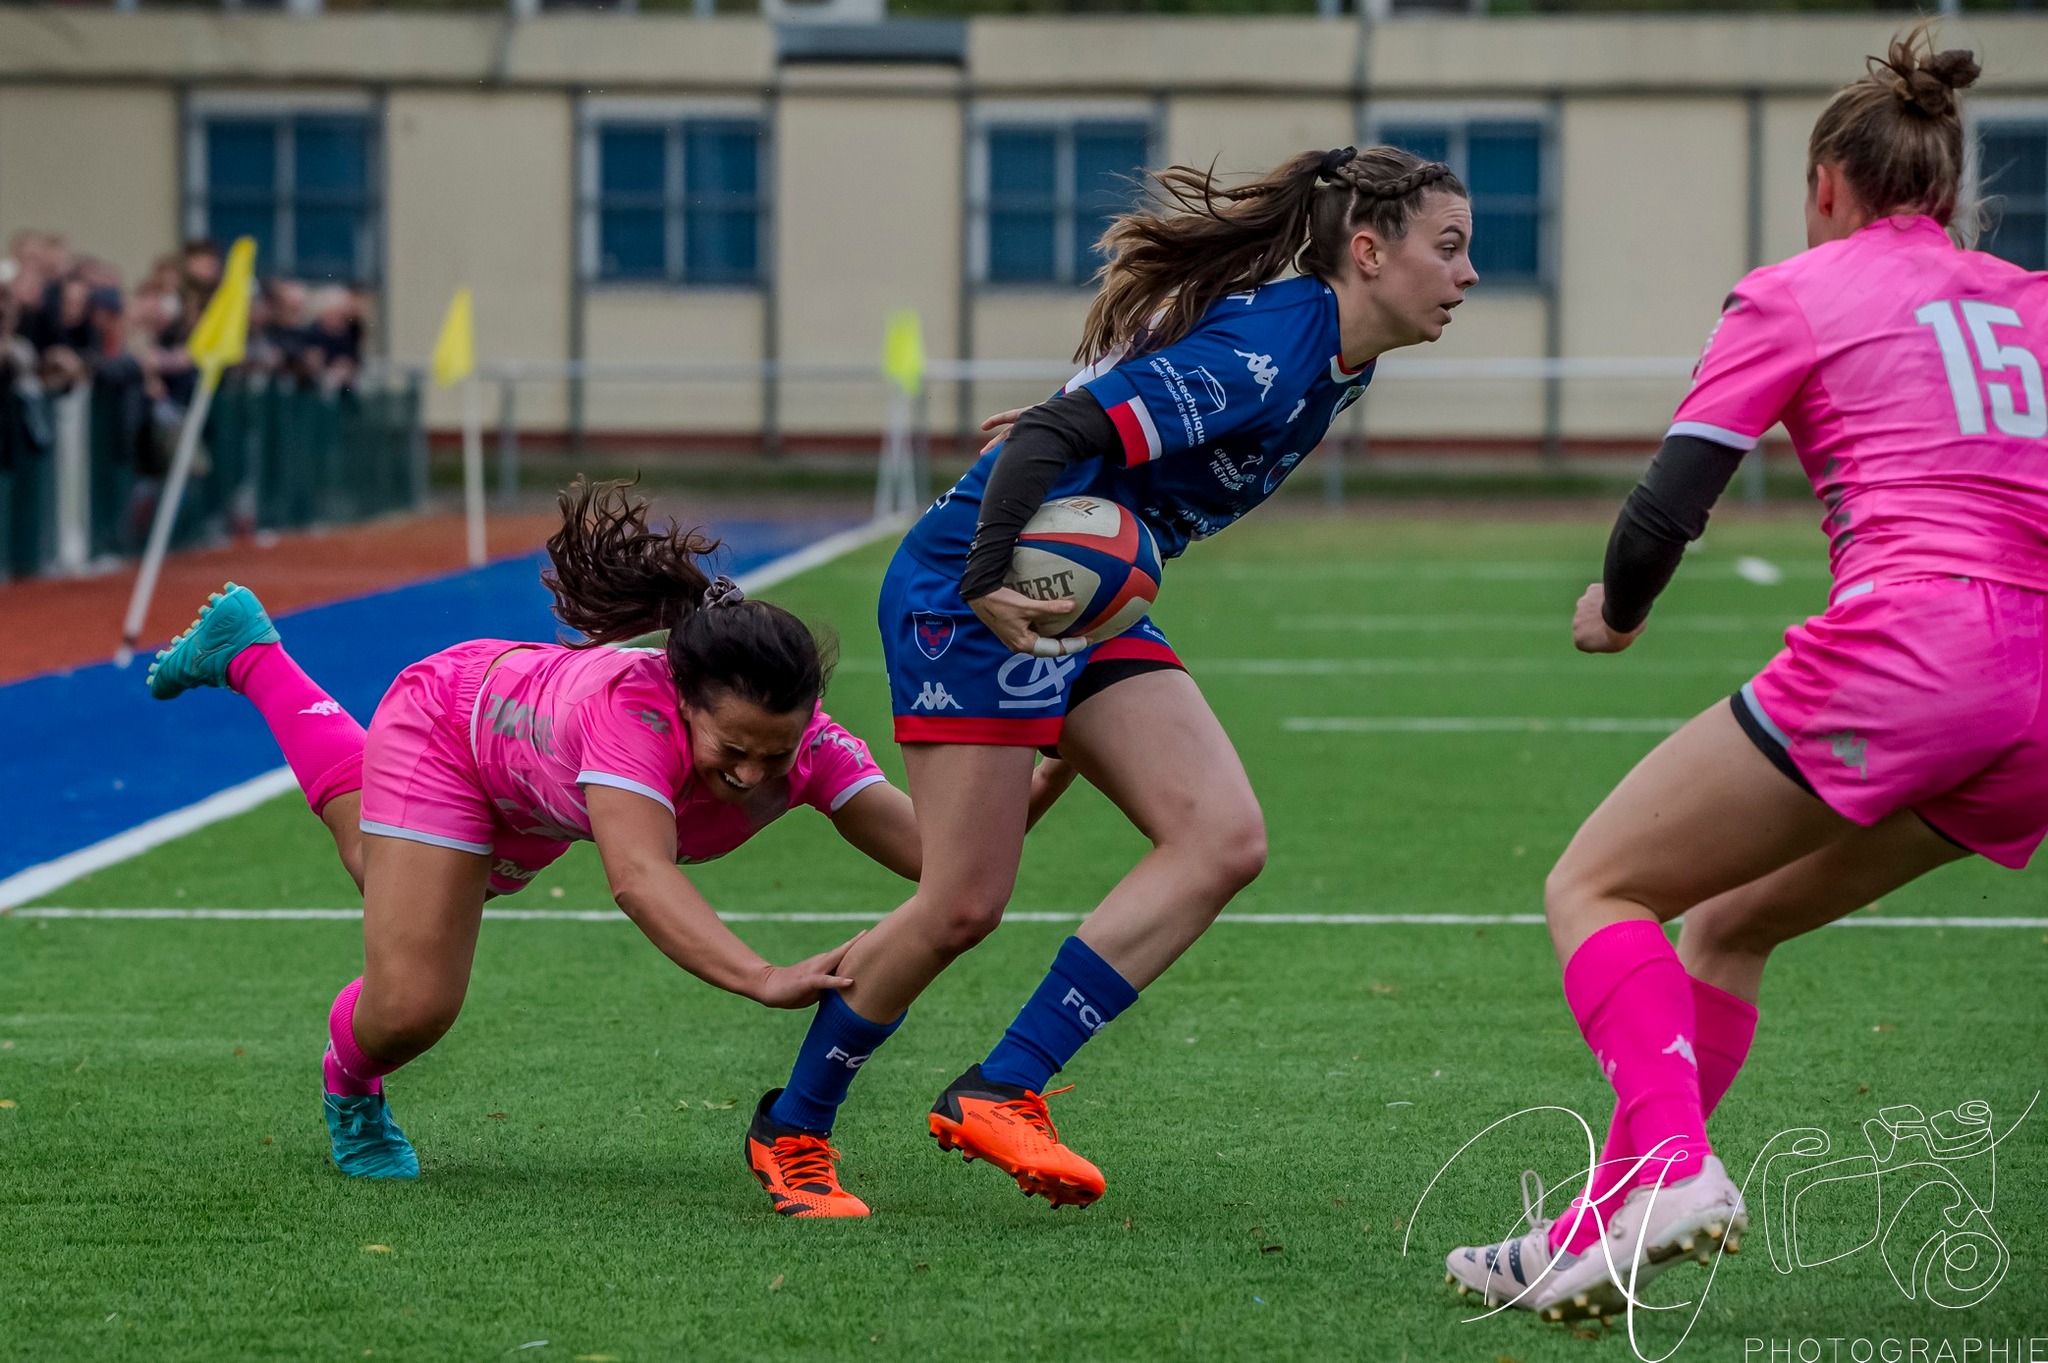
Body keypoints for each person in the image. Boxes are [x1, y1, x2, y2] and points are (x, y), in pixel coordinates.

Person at [741, 144, 1479, 1217]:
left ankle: (1003, 1086)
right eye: (1447, 248)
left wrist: (1072, 432)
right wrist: (992, 567)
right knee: (959, 904)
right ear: (1366, 252)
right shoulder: (1274, 351)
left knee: (1220, 836)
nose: (1465, 276)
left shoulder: (1333, 360)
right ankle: (791, 1128)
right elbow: (1055, 432)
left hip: (1080, 596)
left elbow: (1090, 411)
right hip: (973, 586)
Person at [1444, 29, 2043, 1323]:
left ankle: (1667, 1165)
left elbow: (1667, 506)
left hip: (1913, 648)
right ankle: (1588, 1234)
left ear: (1829, 181)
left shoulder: (1799, 288)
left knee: (1594, 881)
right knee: (1728, 919)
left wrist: (1620, 609)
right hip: (2037, 696)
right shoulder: (2032, 301)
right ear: (1942, 191)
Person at [144, 477, 1072, 1184]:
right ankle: (351, 1090)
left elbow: (938, 853)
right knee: (411, 1002)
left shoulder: (809, 746)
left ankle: (253, 654)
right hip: (450, 729)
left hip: (534, 788)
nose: (755, 775)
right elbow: (638, 876)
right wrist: (761, 974)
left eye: (775, 751)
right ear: (682, 698)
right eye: (733, 750)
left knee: (379, 867)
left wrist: (1060, 759)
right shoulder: (634, 716)